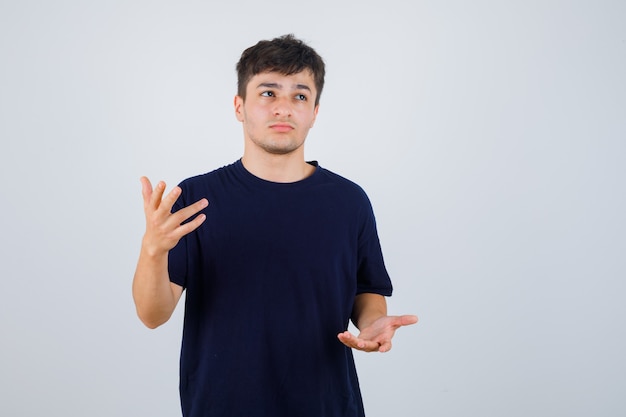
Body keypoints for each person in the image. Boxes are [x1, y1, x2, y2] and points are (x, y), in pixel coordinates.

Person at [132, 34, 418, 417]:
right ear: (240, 106)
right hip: (221, 406)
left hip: (327, 405)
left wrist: (373, 323)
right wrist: (152, 250)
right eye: (268, 93)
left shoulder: (349, 201)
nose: (284, 108)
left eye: (300, 96)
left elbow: (366, 292)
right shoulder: (196, 199)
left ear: (315, 111)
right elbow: (153, 315)